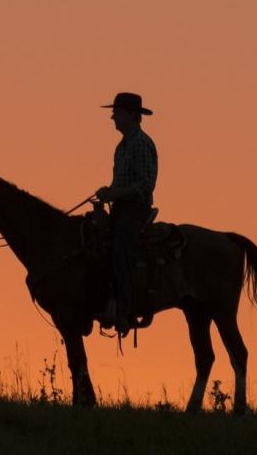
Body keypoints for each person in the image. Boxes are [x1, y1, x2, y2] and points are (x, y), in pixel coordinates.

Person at [95, 92, 158, 334]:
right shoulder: (122, 147)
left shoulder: (141, 144)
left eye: (117, 112)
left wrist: (114, 194)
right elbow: (125, 184)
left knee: (121, 247)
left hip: (135, 210)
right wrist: (109, 192)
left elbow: (144, 186)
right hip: (121, 207)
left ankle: (124, 308)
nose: (112, 116)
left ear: (132, 115)